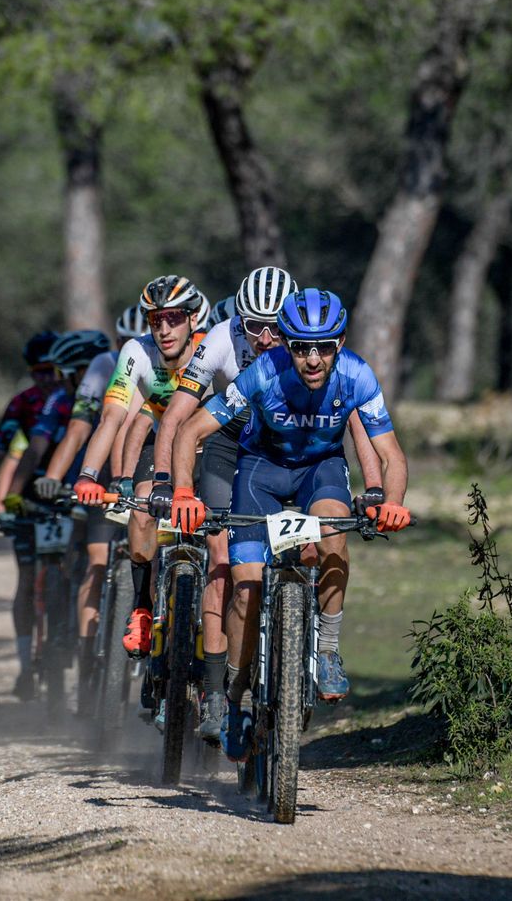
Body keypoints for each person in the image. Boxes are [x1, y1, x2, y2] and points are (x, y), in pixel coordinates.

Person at [169, 289, 411, 761]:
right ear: (287, 345)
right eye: (301, 346)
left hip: (319, 470)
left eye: (323, 346)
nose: (312, 358)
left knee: (335, 529)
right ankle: (236, 697)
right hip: (261, 471)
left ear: (340, 343)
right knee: (245, 587)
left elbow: (390, 453)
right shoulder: (264, 372)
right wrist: (182, 491)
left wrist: (393, 502)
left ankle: (328, 651)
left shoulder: (358, 375)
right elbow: (192, 430)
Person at [72, 275, 208, 670]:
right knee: (143, 509)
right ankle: (142, 606)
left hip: (212, 444)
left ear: (192, 318)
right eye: (154, 320)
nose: (163, 329)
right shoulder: (136, 352)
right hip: (161, 445)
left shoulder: (212, 346)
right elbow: (112, 417)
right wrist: (88, 475)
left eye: (173, 318)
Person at [26, 330, 121, 681]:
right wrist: (51, 477)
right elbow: (76, 433)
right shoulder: (99, 373)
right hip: (95, 479)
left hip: (136, 476)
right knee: (92, 558)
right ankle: (84, 656)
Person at [0, 329, 59, 699]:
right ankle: (26, 666)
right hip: (28, 499)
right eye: (37, 372)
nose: (44, 379)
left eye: (51, 370)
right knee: (26, 580)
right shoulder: (22, 403)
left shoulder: (79, 398)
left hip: (70, 494)